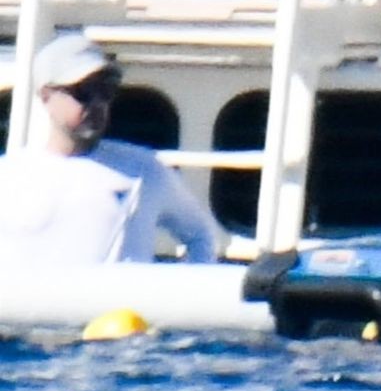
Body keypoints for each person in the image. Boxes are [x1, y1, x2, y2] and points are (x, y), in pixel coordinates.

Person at [0, 34, 224, 265]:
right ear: (46, 95)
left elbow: (201, 236)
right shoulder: (9, 176)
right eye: (84, 91)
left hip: (122, 292)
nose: (97, 103)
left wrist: (179, 287)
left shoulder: (144, 171)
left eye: (105, 90)